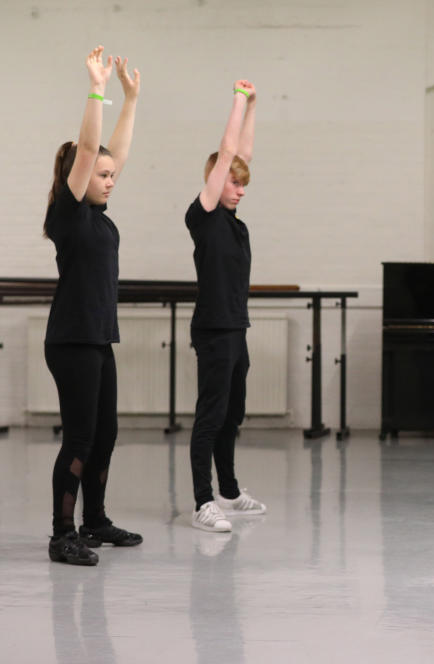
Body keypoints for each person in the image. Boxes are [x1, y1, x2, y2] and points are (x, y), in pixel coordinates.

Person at [43, 46, 142, 565]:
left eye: (110, 175)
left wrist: (130, 99)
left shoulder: (100, 215)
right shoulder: (70, 214)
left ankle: (94, 521)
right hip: (71, 340)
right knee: (80, 437)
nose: (110, 178)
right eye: (101, 175)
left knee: (106, 434)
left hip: (98, 339)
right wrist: (96, 88)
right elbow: (89, 149)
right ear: (79, 177)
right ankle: (63, 533)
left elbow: (111, 153)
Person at [187, 80, 267, 533]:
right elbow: (228, 150)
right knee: (211, 415)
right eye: (232, 182)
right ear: (215, 180)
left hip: (237, 328)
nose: (239, 189)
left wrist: (253, 105)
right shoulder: (203, 215)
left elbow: (243, 153)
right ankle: (203, 501)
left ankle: (230, 491)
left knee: (233, 414)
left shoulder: (236, 224)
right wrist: (237, 99)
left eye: (242, 184)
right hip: (214, 330)